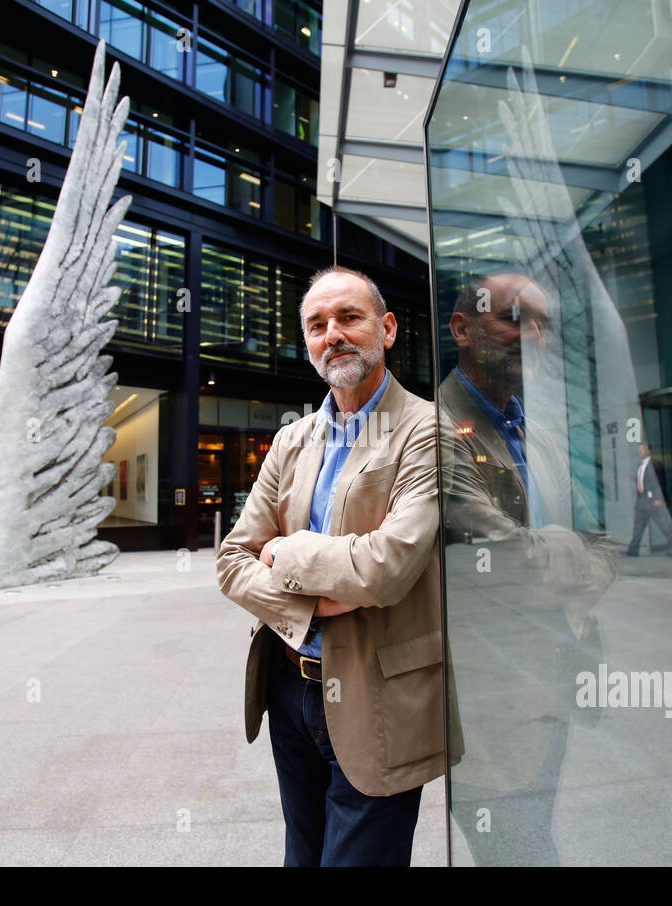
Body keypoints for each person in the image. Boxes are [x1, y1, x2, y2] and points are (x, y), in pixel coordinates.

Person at [216, 266, 442, 867]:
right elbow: (232, 560)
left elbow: (385, 569)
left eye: (349, 317)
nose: (332, 334)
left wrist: (285, 553)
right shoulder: (293, 440)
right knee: (303, 856)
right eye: (317, 325)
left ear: (387, 329)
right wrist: (315, 600)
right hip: (290, 685)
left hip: (380, 696)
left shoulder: (427, 429)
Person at [438, 273, 617, 865]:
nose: (533, 334)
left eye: (542, 323)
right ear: (462, 329)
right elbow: (506, 562)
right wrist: (568, 556)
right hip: (493, 699)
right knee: (518, 850)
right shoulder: (433, 429)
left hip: (556, 676)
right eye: (515, 318)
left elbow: (605, 541)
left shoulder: (534, 430)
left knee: (534, 834)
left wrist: (560, 555)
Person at [626, 442, 672, 556]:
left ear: (649, 451)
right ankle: (633, 549)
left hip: (654, 501)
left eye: (642, 449)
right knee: (638, 526)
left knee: (663, 525)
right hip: (641, 501)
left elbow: (660, 482)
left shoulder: (656, 464)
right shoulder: (639, 466)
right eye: (639, 450)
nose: (640, 452)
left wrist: (659, 498)